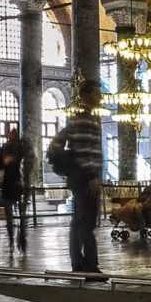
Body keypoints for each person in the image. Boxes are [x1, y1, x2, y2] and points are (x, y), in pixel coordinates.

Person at [50, 79, 105, 273]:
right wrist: (92, 176)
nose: (100, 96)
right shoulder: (84, 120)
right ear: (87, 94)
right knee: (86, 222)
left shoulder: (80, 119)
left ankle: (78, 263)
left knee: (79, 221)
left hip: (80, 177)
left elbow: (60, 143)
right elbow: (85, 152)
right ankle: (89, 264)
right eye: (97, 92)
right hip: (85, 178)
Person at [0, 127, 27, 251]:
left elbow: (23, 161)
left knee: (17, 215)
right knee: (14, 215)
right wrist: (5, 161)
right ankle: (13, 240)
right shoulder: (7, 147)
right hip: (12, 183)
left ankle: (16, 239)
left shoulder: (19, 147)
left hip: (15, 183)